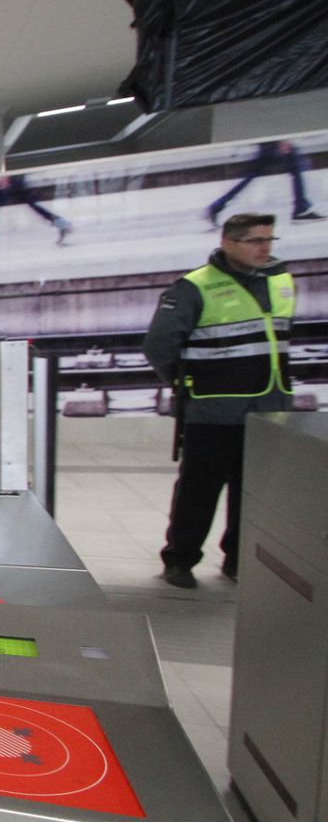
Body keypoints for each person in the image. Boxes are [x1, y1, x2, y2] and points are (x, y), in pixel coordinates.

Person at [143, 212, 295, 589]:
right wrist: (185, 384)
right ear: (228, 243)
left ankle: (239, 560)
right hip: (213, 409)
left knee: (253, 494)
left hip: (268, 410)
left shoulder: (281, 280)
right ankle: (180, 560)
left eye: (269, 240)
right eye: (255, 240)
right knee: (199, 490)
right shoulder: (194, 287)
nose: (264, 248)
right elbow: (159, 347)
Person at [207, 139, 323, 228]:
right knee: (294, 164)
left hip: (269, 140)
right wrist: (280, 140)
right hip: (272, 140)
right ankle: (301, 208)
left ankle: (217, 206)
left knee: (253, 172)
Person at [0, 173, 71, 253]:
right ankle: (61, 223)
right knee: (30, 202)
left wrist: (5, 176)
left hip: (11, 176)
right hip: (15, 176)